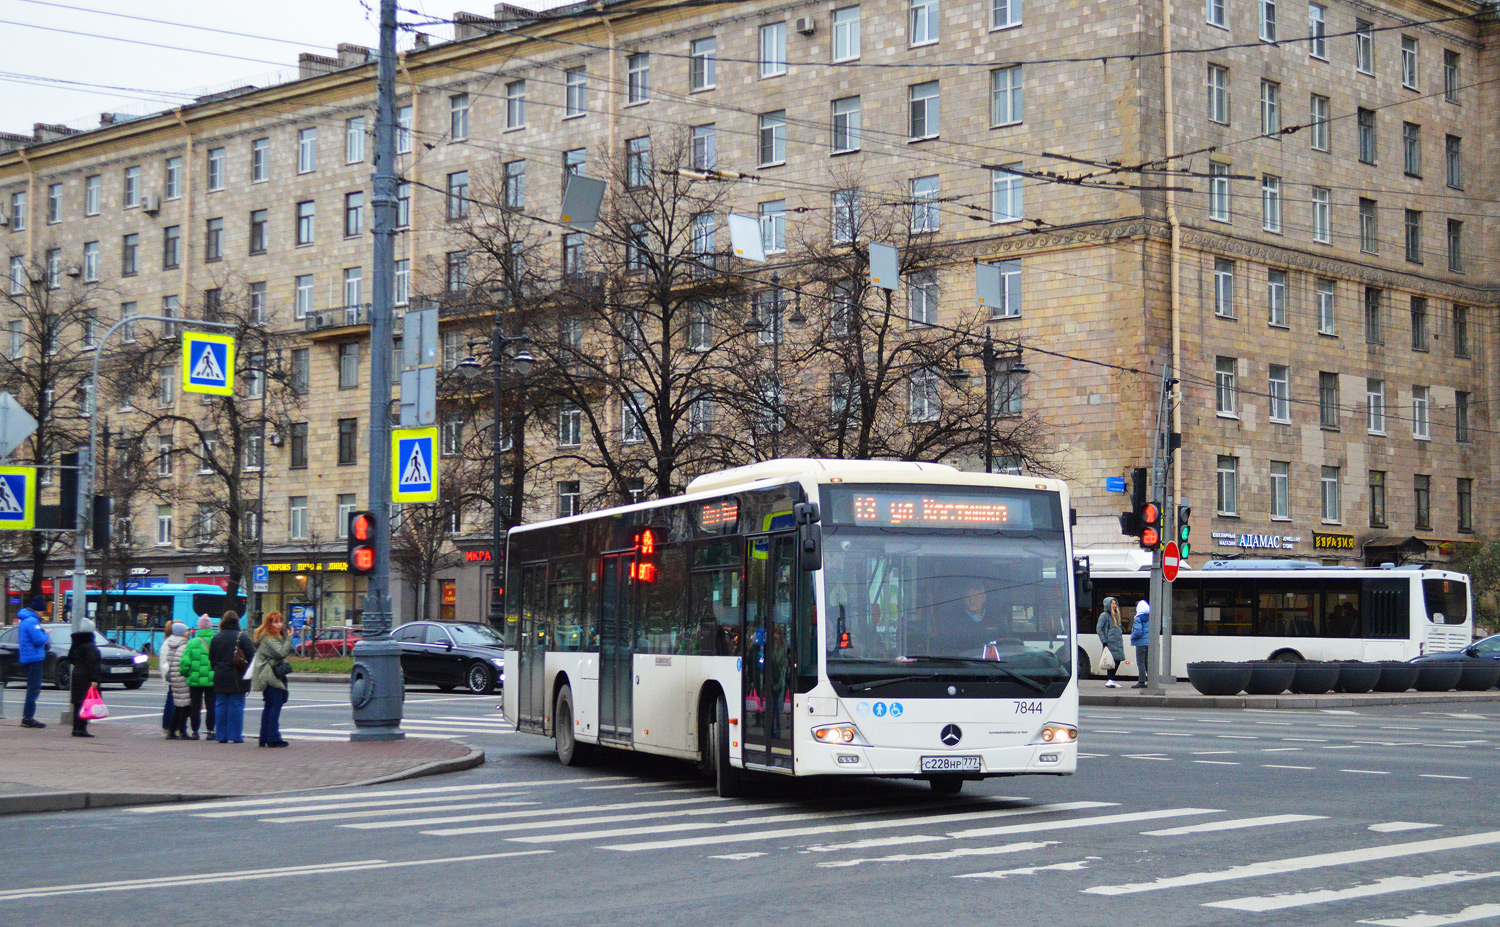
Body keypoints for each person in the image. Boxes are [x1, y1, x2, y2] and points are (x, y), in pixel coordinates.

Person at [929, 579, 1006, 657]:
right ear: (963, 599)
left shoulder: (996, 620)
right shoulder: (953, 622)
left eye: (976, 597)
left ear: (984, 598)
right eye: (968, 597)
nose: (972, 601)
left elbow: (1004, 644)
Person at [209, 611, 253, 743]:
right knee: (236, 706)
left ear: (223, 622)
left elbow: (212, 659)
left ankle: (221, 736)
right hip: (237, 676)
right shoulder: (242, 637)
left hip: (220, 675)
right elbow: (251, 657)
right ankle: (235, 736)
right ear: (237, 622)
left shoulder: (216, 638)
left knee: (220, 705)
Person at [250, 610, 293, 747]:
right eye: (275, 622)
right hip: (270, 676)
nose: (279, 625)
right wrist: (289, 638)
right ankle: (273, 737)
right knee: (275, 705)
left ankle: (264, 737)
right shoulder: (268, 639)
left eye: (280, 621)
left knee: (270, 706)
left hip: (269, 675)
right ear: (269, 624)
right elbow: (281, 652)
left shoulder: (271, 637)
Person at [179, 615, 216, 740]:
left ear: (199, 627)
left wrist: (186, 673)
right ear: (210, 626)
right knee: (211, 705)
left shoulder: (192, 642)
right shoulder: (216, 640)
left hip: (195, 679)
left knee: (195, 705)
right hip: (212, 679)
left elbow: (185, 662)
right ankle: (210, 731)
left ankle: (195, 731)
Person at [16, 596, 49, 729]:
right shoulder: (32, 621)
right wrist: (46, 634)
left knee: (32, 688)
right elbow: (39, 640)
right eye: (42, 611)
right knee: (34, 689)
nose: (42, 614)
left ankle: (27, 717)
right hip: (34, 658)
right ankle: (28, 718)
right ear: (38, 610)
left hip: (28, 657)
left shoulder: (24, 620)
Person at [68, 618, 102, 738]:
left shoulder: (76, 642)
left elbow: (70, 658)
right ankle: (82, 728)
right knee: (86, 702)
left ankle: (76, 728)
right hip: (86, 676)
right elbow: (93, 662)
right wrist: (94, 679)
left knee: (78, 702)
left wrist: (79, 664)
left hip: (77, 674)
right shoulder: (90, 645)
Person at [158, 621, 192, 739]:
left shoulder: (169, 643)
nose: (189, 633)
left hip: (171, 676)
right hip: (180, 678)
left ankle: (169, 728)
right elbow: (185, 662)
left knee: (173, 703)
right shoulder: (183, 645)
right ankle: (178, 729)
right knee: (181, 704)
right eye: (186, 631)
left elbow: (165, 661)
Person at [1096, 596, 1126, 689]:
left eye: (1115, 603)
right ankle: (1110, 680)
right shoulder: (1104, 615)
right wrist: (1104, 641)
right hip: (1109, 642)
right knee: (1111, 661)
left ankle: (1111, 680)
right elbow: (1099, 628)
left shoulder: (1116, 615)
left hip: (1117, 642)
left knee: (1117, 660)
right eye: (1113, 603)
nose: (1114, 605)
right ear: (1108, 605)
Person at [1130, 599, 1152, 689]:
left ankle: (1141, 682)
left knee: (1141, 663)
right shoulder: (1150, 617)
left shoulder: (1138, 618)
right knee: (1147, 663)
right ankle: (1151, 681)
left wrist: (1132, 637)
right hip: (1149, 643)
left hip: (1141, 643)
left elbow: (1138, 631)